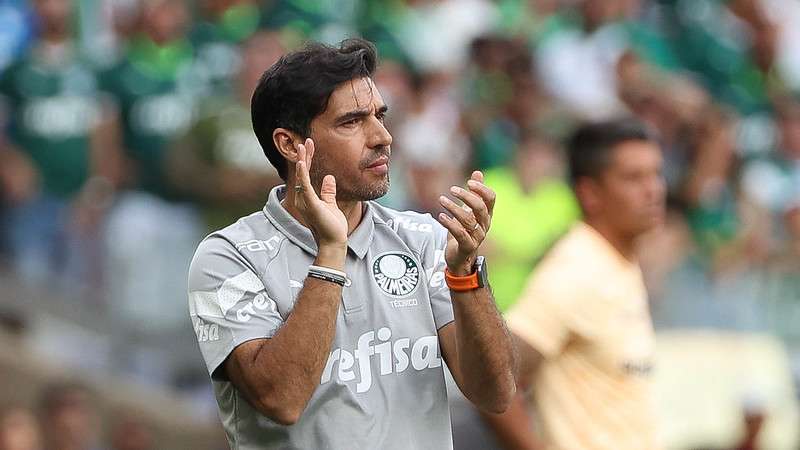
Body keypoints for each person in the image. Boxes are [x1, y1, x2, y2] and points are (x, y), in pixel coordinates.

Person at [187, 38, 515, 449]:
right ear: (290, 145)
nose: (382, 137)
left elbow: (496, 394)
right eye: (352, 121)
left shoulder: (422, 239)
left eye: (380, 115)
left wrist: (465, 274)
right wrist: (329, 254)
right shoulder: (227, 258)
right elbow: (281, 399)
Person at [482, 118, 666, 450]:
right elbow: (492, 381)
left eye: (656, 173)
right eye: (633, 178)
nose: (653, 189)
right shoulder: (575, 271)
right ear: (590, 193)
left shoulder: (614, 260)